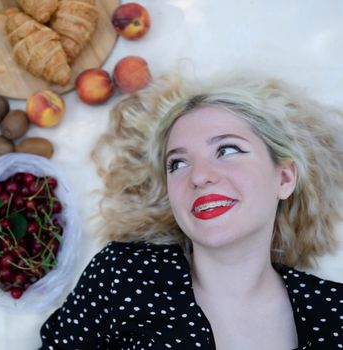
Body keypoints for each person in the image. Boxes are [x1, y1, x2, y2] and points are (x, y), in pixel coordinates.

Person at [39, 72, 343, 349]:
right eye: (178, 163)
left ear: (284, 178)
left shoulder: (335, 311)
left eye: (227, 150)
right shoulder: (123, 274)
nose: (198, 176)